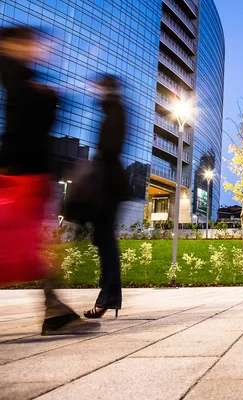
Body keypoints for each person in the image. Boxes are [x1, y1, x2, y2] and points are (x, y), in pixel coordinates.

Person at [0, 26, 82, 335]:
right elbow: (23, 120)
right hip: (20, 172)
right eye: (31, 44)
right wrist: (46, 98)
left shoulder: (21, 76)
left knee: (30, 244)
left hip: (27, 171)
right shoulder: (14, 74)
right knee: (19, 244)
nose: (38, 49)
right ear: (12, 44)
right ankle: (54, 308)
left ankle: (55, 308)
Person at [82, 75, 129, 319]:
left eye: (98, 87)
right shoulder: (114, 111)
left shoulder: (115, 111)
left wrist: (94, 170)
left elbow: (109, 149)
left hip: (107, 186)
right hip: (110, 185)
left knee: (106, 243)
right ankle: (108, 297)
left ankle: (108, 298)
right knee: (104, 242)